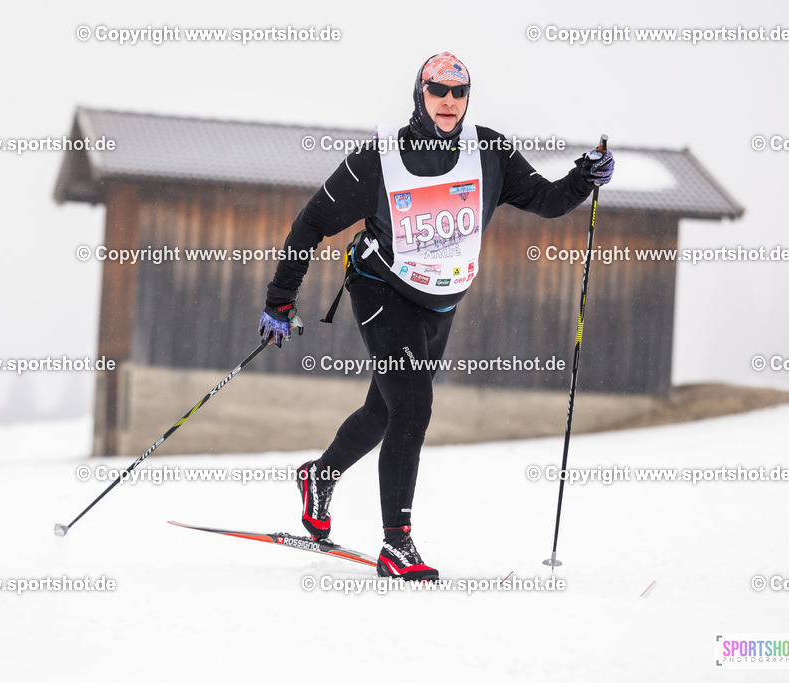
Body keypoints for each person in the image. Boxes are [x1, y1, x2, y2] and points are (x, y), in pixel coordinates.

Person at [258, 52, 614, 581]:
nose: (449, 102)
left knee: (384, 411)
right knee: (414, 406)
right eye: (437, 91)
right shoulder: (379, 158)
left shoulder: (489, 151)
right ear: (419, 94)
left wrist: (584, 178)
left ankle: (320, 476)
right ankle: (396, 545)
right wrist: (280, 299)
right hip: (382, 288)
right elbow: (311, 222)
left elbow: (545, 199)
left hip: (442, 302)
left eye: (459, 92)